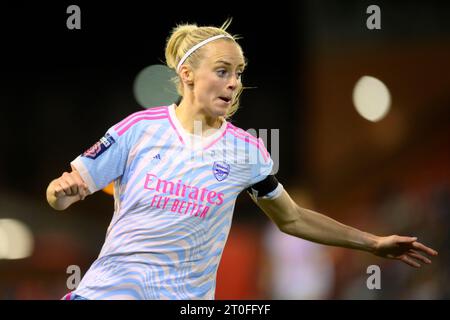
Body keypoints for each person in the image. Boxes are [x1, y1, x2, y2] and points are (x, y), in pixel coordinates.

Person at [46, 20, 438, 300]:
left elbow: (293, 218)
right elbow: (60, 196)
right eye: (222, 71)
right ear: (187, 74)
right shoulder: (138, 130)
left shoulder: (247, 152)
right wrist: (63, 191)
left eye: (238, 72)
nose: (234, 82)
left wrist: (372, 243)